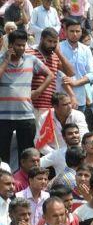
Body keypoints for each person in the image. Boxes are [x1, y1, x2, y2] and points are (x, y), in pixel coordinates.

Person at [0, 29, 54, 161]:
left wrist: (39, 91)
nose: (21, 48)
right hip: (3, 116)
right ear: (10, 45)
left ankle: (25, 181)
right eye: (18, 45)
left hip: (26, 115)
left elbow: (50, 75)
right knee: (2, 154)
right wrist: (6, 61)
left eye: (23, 45)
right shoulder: (1, 60)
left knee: (27, 154)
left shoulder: (31, 60)